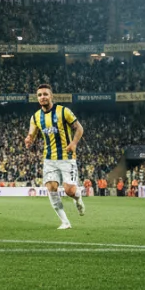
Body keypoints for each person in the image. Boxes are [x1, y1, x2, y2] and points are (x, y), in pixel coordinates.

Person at [24, 84, 85, 229]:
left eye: (45, 94)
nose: (42, 97)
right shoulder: (35, 117)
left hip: (66, 157)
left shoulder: (63, 111)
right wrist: (29, 139)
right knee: (51, 188)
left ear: (51, 96)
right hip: (49, 159)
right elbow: (32, 133)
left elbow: (79, 128)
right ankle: (65, 222)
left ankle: (78, 199)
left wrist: (74, 143)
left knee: (70, 191)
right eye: (39, 95)